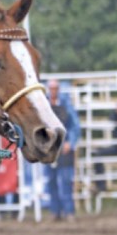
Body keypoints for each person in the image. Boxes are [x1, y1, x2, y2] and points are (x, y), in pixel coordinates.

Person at [43, 79, 81, 222]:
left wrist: (70, 143)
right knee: (51, 181)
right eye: (51, 88)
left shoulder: (66, 104)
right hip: (49, 148)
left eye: (55, 88)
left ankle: (69, 211)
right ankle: (55, 211)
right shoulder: (43, 105)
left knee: (66, 181)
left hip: (64, 148)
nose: (53, 91)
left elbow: (75, 126)